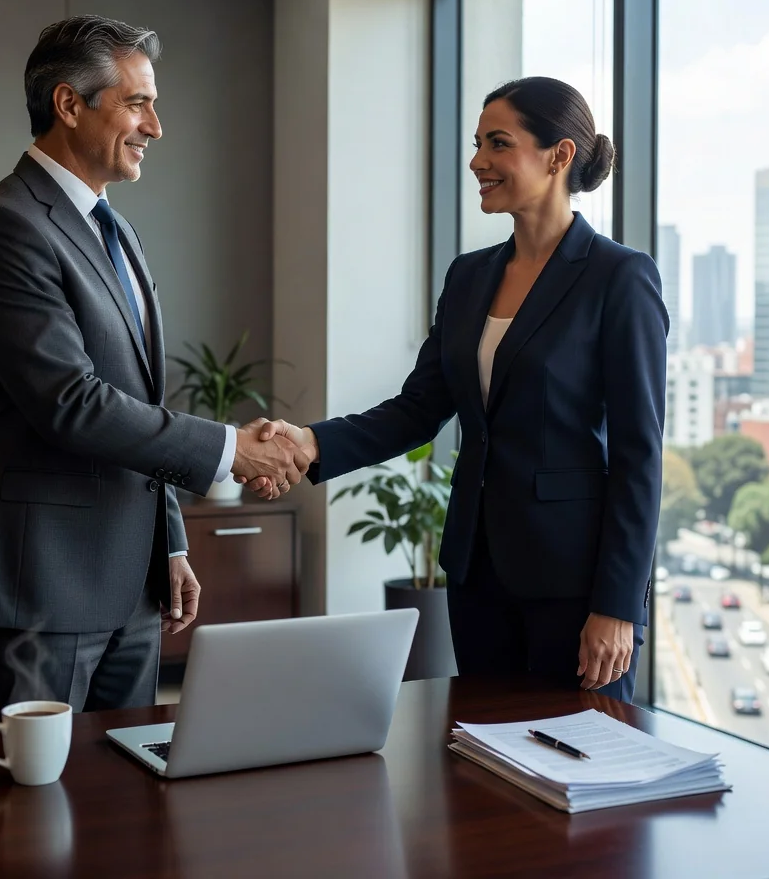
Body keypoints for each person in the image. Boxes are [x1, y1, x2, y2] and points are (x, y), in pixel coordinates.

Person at [245, 77, 668, 702]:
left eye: (499, 143)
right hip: (478, 573)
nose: (477, 162)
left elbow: (639, 457)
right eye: (476, 145)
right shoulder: (469, 276)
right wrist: (308, 442)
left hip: (574, 586)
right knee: (484, 759)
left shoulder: (619, 278)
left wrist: (619, 605)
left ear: (559, 156)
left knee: (577, 769)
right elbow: (419, 409)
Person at [0, 15, 307, 720]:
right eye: (137, 102)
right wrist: (233, 450)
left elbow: (137, 397)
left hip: (132, 588)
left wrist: (168, 542)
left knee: (128, 806)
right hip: (41, 589)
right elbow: (72, 402)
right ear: (69, 105)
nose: (156, 126)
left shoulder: (115, 227)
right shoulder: (3, 227)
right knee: (30, 817)